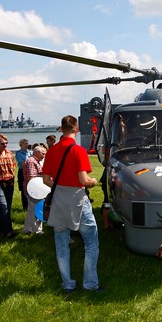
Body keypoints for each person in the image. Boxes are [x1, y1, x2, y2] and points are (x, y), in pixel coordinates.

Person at [43, 115, 102, 293]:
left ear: (61, 129)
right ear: (76, 129)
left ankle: (68, 283)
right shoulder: (79, 151)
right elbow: (83, 179)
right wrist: (92, 181)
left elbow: (46, 180)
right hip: (77, 199)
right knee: (91, 242)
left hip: (59, 199)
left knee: (61, 244)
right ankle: (90, 283)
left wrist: (60, 187)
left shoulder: (51, 151)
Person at [22, 145, 47, 235]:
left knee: (31, 210)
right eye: (43, 154)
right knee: (36, 210)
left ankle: (27, 229)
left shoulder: (34, 161)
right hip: (34, 191)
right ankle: (37, 230)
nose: (44, 156)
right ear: (36, 152)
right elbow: (31, 178)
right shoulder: (31, 162)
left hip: (35, 190)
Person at [15, 138, 32, 211]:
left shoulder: (30, 152)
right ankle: (25, 206)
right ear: (21, 145)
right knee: (23, 189)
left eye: (27, 143)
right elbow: (22, 163)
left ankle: (31, 206)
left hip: (30, 171)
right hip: (22, 171)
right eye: (25, 143)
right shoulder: (18, 153)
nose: (27, 145)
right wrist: (30, 163)